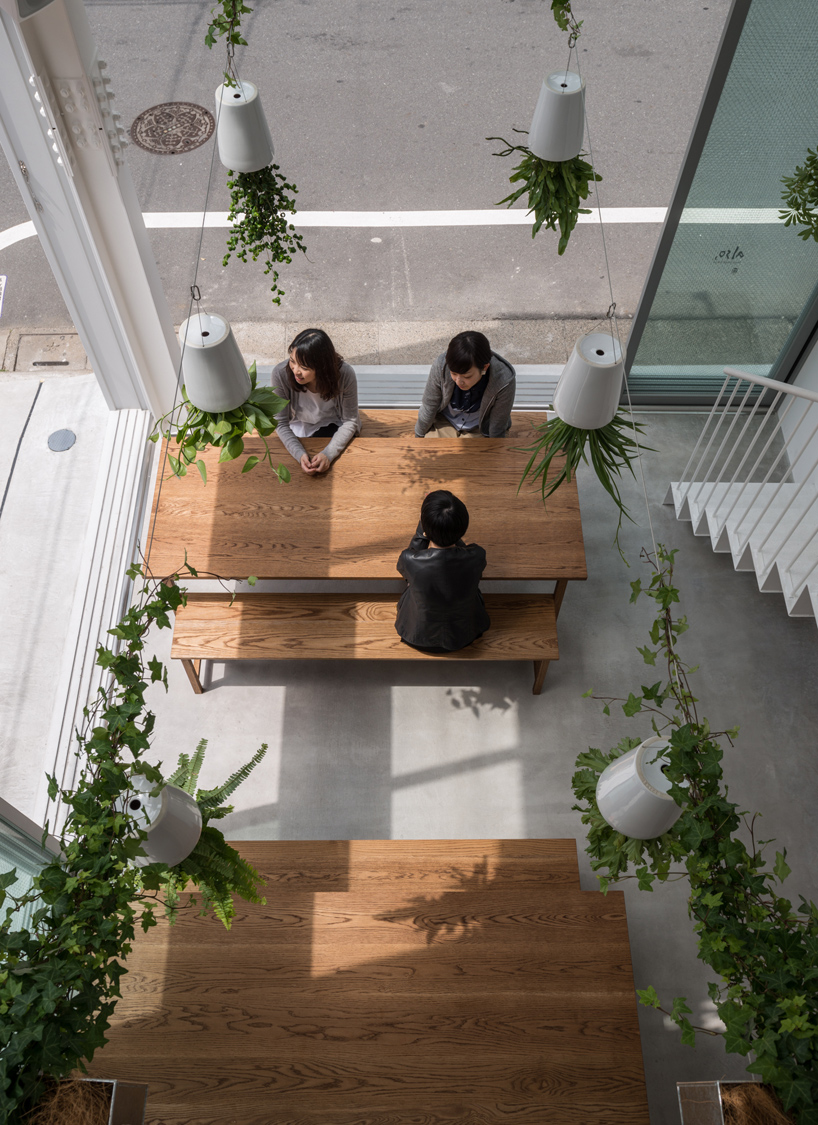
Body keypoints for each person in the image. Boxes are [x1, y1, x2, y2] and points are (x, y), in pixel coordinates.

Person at [395, 490, 490, 653]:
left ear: (425, 531)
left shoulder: (409, 559)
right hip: (465, 635)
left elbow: (406, 573)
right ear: (463, 528)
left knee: (412, 583)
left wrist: (425, 522)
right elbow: (461, 549)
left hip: (417, 635)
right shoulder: (477, 555)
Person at [272, 328, 360, 474]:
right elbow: (280, 422)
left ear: (322, 368)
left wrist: (328, 454)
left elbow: (350, 421)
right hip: (298, 427)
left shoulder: (345, 374)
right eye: (292, 361)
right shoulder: (280, 373)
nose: (296, 371)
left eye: (304, 367)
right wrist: (299, 455)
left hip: (335, 425)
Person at [415, 330, 516, 439]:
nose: (458, 381)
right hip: (445, 421)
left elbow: (498, 423)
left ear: (484, 367)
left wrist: (495, 450)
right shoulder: (441, 365)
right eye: (453, 373)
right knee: (434, 452)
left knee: (473, 455)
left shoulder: (504, 379)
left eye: (467, 376)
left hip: (480, 427)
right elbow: (429, 405)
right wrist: (419, 436)